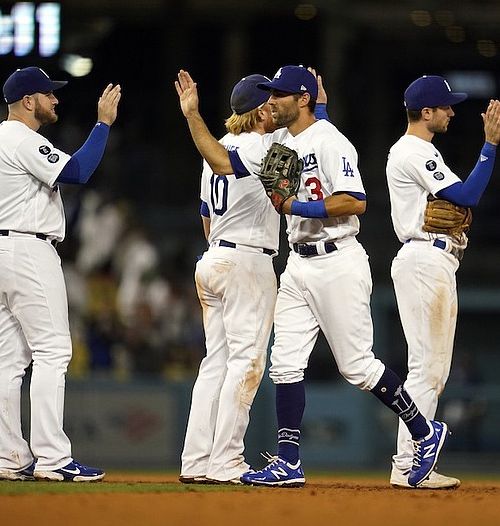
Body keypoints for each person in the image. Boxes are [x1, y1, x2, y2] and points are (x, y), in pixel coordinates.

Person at [175, 65, 460, 488]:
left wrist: (297, 208)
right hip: (297, 263)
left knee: (358, 367)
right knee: (284, 365)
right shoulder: (280, 145)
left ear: (302, 99)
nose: (272, 101)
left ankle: (423, 430)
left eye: (281, 95)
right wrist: (195, 116)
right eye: (270, 95)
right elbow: (229, 162)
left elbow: (356, 201)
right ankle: (288, 460)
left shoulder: (331, 141)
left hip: (338, 261)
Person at [0, 66, 121, 482]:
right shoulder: (21, 138)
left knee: (9, 358)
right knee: (53, 352)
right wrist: (103, 124)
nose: (55, 100)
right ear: (28, 101)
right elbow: (77, 172)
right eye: (48, 94)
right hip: (25, 249)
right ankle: (54, 459)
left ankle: (12, 459)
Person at [385, 75, 500, 489]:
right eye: (446, 106)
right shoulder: (414, 149)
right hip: (424, 257)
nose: (452, 112)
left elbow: (457, 200)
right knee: (426, 370)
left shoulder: (420, 150)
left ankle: (410, 463)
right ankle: (408, 464)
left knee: (431, 369)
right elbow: (468, 196)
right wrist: (490, 145)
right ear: (427, 112)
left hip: (434, 258)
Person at [179, 74, 279, 485]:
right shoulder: (260, 146)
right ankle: (226, 461)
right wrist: (191, 115)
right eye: (271, 102)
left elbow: (206, 217)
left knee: (215, 364)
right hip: (246, 262)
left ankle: (196, 460)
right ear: (258, 110)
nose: (277, 108)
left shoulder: (219, 147)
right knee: (247, 362)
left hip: (215, 257)